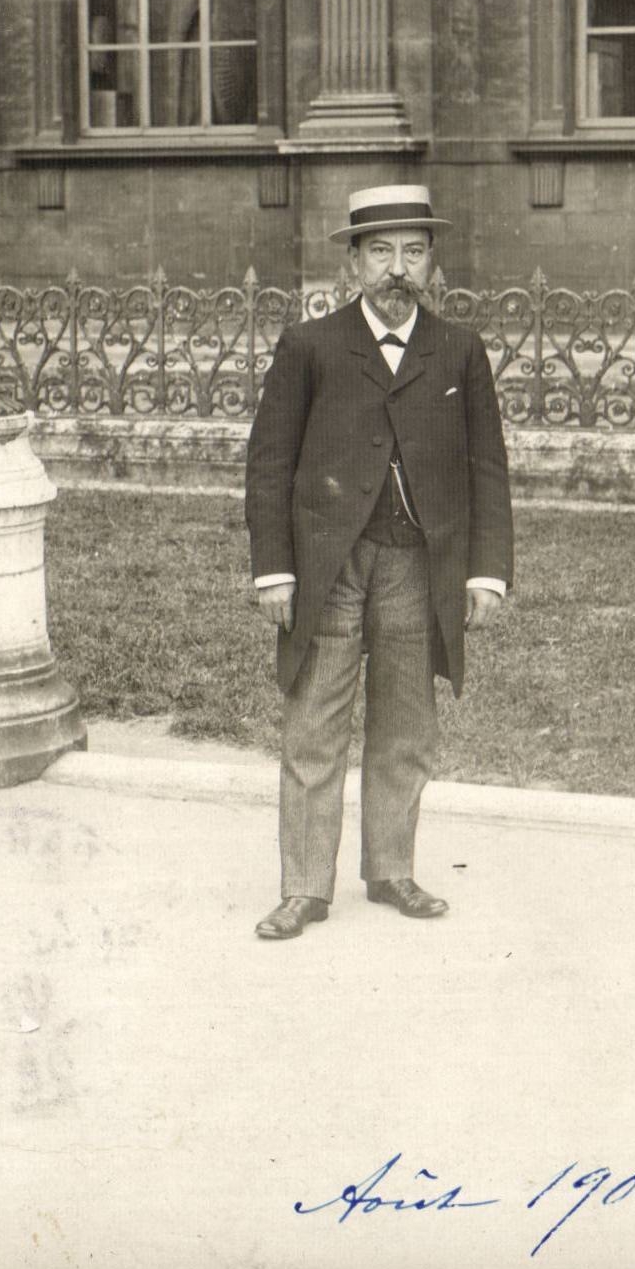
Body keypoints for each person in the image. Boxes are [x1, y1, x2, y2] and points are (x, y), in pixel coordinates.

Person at [245, 185, 514, 939]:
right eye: (382, 252)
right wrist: (275, 570)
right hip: (328, 565)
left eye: (414, 251)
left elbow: (487, 465)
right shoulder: (311, 346)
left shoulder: (458, 348)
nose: (398, 269)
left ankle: (392, 869)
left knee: (404, 725)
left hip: (413, 565)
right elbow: (268, 464)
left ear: (432, 262)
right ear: (354, 262)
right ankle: (303, 886)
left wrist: (485, 570)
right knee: (314, 724)